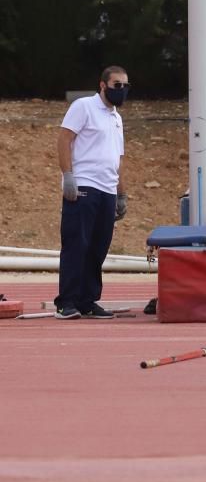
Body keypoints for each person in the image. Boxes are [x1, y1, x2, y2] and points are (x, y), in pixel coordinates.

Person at [55, 66, 130, 319]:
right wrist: (68, 176)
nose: (121, 90)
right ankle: (67, 301)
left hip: (107, 189)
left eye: (125, 86)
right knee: (77, 244)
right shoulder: (84, 107)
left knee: (99, 247)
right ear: (103, 85)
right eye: (117, 84)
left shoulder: (116, 118)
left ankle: (88, 300)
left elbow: (118, 158)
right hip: (84, 185)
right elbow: (64, 138)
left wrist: (121, 194)